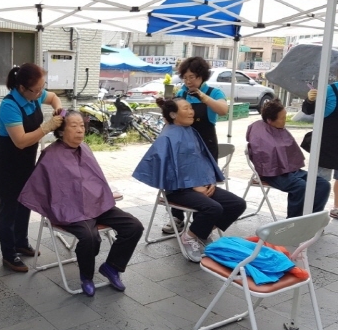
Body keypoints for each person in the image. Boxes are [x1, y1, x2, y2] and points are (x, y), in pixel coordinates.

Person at [19, 110, 143, 296]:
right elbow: (40, 188)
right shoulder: (50, 155)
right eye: (74, 126)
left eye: (82, 126)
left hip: (97, 204)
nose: (80, 130)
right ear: (61, 131)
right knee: (90, 237)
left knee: (134, 226)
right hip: (69, 210)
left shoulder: (85, 148)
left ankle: (112, 267)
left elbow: (95, 181)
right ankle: (86, 276)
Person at [133, 98, 246, 263]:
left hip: (200, 185)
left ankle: (201, 233)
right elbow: (166, 171)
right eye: (186, 108)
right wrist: (192, 185)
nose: (191, 112)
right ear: (173, 114)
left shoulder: (191, 132)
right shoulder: (167, 137)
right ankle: (190, 237)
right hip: (177, 190)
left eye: (191, 108)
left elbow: (203, 162)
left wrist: (209, 181)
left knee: (237, 204)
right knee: (213, 208)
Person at [0, 63, 63, 273]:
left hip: (26, 162)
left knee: (25, 203)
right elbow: (20, 141)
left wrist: (57, 107)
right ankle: (9, 254)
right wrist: (47, 127)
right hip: (9, 163)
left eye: (41, 88)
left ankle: (21, 242)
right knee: (9, 209)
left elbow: (53, 97)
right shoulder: (9, 105)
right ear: (22, 88)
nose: (40, 93)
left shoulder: (34, 95)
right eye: (36, 90)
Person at [164, 57, 229, 235]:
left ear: (201, 76)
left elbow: (223, 110)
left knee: (204, 183)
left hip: (206, 143)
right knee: (181, 180)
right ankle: (177, 217)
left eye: (192, 77)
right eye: (185, 77)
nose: (188, 81)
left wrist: (202, 97)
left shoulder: (214, 92)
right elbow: (170, 119)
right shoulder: (182, 93)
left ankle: (201, 221)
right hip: (184, 143)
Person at [247, 99, 330, 218]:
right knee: (300, 186)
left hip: (290, 169)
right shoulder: (259, 134)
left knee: (323, 185)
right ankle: (293, 221)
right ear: (270, 120)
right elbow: (264, 160)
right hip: (272, 173)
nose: (285, 120)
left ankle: (312, 218)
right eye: (283, 118)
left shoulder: (278, 128)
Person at [303, 85, 338, 218]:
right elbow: (308, 110)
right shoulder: (330, 90)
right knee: (320, 182)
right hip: (326, 146)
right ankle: (313, 215)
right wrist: (310, 100)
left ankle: (336, 208)